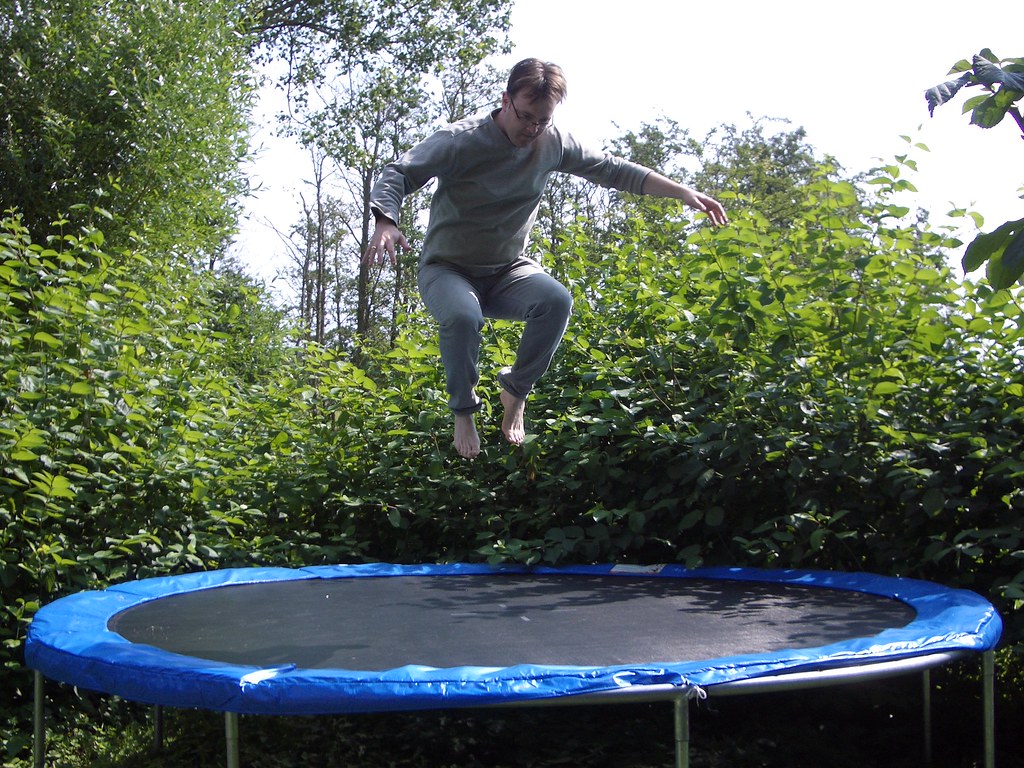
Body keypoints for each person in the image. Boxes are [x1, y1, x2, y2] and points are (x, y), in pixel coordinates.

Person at [364, 58, 727, 460]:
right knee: (465, 318)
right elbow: (399, 172)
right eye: (526, 117)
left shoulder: (552, 142)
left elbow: (612, 169)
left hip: (507, 270)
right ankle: (463, 410)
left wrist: (681, 192)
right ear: (505, 101)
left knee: (556, 301)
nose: (532, 129)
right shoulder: (459, 140)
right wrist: (386, 221)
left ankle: (515, 392)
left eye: (543, 120)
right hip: (448, 269)